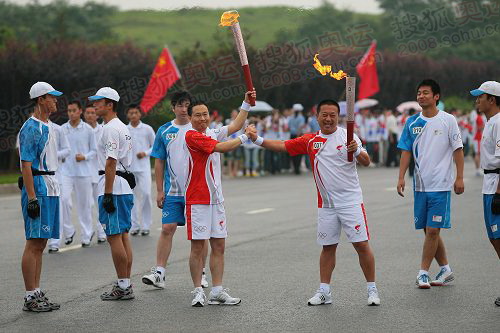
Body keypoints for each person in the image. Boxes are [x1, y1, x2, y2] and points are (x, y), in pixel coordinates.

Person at [247, 99, 381, 306]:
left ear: (338, 116)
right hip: (326, 205)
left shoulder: (348, 136)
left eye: (333, 115)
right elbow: (283, 145)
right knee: (328, 247)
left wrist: (356, 150)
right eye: (324, 114)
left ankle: (372, 290)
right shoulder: (311, 141)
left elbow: (366, 161)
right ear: (317, 116)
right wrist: (257, 140)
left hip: (350, 202)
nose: (328, 119)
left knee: (361, 245)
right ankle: (324, 291)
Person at [186, 90, 256, 307]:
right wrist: (245, 137)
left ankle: (217, 291)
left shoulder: (212, 131)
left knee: (219, 245)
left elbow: (234, 125)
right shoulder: (192, 136)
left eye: (205, 114)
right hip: (198, 199)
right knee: (198, 247)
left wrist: (246, 102)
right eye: (197, 115)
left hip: (216, 199)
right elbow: (220, 148)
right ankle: (198, 290)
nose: (202, 118)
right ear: (190, 118)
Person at [397, 79, 464, 289]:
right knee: (428, 231)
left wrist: (459, 177)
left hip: (441, 185)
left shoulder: (448, 120)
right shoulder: (412, 122)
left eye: (426, 93)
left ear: (436, 96)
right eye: (419, 93)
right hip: (420, 185)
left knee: (433, 231)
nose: (421, 96)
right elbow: (406, 151)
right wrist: (401, 177)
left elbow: (458, 150)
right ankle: (445, 269)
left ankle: (422, 273)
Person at [142, 91, 209, 290]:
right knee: (166, 228)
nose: (183, 109)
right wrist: (159, 190)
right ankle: (160, 273)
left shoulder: (198, 129)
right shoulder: (164, 130)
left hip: (196, 191)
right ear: (173, 107)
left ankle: (202, 272)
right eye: (179, 105)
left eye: (186, 105)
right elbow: (159, 161)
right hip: (173, 192)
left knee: (199, 234)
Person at [19, 81, 63, 312]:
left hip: (52, 186)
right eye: (51, 97)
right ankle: (29, 296)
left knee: (42, 242)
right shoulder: (30, 128)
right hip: (38, 187)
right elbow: (26, 165)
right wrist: (32, 197)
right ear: (40, 100)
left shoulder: (50, 126)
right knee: (33, 242)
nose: (55, 101)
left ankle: (36, 292)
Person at [89, 87, 135, 300]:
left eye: (99, 102)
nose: (94, 105)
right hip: (122, 185)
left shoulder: (109, 129)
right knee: (123, 236)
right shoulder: (122, 127)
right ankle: (125, 283)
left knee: (114, 237)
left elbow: (110, 161)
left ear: (110, 105)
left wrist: (107, 194)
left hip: (113, 186)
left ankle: (123, 286)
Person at [470, 81, 500, 306]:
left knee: (498, 237)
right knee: (493, 238)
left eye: (481, 96)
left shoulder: (499, 122)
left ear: (492, 99)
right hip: (488, 184)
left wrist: (499, 191)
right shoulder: (491, 122)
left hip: (496, 184)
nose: (477, 100)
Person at [59, 101, 98, 247]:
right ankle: (68, 231)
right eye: (69, 111)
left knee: (84, 205)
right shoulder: (62, 129)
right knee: (63, 200)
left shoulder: (88, 129)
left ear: (80, 111)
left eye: (74, 110)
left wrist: (85, 157)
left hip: (83, 172)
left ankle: (87, 233)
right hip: (66, 171)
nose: (71, 113)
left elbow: (94, 151)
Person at [126, 105, 155, 236]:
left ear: (140, 114)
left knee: (146, 194)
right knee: (131, 197)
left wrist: (145, 153)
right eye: (131, 113)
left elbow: (155, 146)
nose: (133, 115)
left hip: (143, 168)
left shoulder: (147, 129)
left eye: (135, 112)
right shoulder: (125, 129)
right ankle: (134, 225)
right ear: (128, 115)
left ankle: (146, 225)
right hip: (129, 169)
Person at [83, 106, 106, 243]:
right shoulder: (82, 130)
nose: (90, 115)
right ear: (84, 114)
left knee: (100, 204)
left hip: (100, 171)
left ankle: (102, 231)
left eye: (93, 113)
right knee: (87, 204)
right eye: (88, 113)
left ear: (97, 115)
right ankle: (87, 233)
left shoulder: (103, 130)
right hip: (85, 172)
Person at [47, 121, 71, 253]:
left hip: (57, 174)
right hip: (40, 175)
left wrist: (54, 155)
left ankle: (54, 242)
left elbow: (67, 149)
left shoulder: (58, 129)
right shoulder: (33, 127)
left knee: (58, 208)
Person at [288, 104, 306, 174]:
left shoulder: (291, 117)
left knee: (293, 152)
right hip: (298, 135)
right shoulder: (301, 117)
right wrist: (298, 136)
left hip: (292, 135)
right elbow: (300, 127)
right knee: (299, 152)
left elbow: (289, 126)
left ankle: (295, 168)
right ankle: (297, 168)